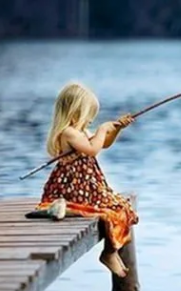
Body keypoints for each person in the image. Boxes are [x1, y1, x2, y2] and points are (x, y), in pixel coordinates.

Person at [34, 82, 138, 277]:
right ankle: (109, 253)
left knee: (122, 207)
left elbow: (103, 144)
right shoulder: (68, 133)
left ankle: (111, 252)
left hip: (88, 185)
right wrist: (101, 129)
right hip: (74, 187)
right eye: (88, 114)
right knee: (111, 210)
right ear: (75, 112)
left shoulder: (80, 132)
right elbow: (92, 150)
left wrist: (115, 130)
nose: (91, 120)